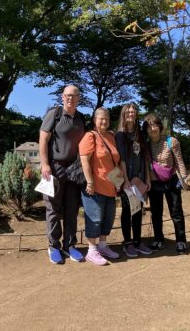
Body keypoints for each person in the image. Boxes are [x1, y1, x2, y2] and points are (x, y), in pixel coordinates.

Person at [39, 85, 85, 264]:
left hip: (75, 170)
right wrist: (44, 164)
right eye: (67, 95)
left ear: (79, 98)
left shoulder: (81, 118)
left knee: (72, 208)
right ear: (62, 97)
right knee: (53, 208)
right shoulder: (54, 114)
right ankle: (53, 246)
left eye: (74, 96)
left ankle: (70, 245)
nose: (70, 99)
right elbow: (43, 139)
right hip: (55, 167)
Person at [79, 107, 122, 265]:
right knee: (95, 219)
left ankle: (103, 245)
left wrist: (118, 183)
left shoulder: (111, 136)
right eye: (101, 119)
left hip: (111, 186)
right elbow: (84, 160)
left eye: (107, 119)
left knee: (108, 219)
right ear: (94, 120)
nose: (104, 121)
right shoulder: (90, 136)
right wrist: (89, 181)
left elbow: (114, 161)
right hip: (95, 186)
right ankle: (92, 250)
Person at [142, 113, 188, 255]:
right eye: (149, 126)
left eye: (155, 124)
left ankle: (181, 241)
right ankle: (159, 240)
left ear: (160, 126)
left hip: (172, 180)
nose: (152, 128)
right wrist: (147, 183)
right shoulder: (146, 145)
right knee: (156, 213)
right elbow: (145, 165)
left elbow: (179, 160)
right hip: (154, 183)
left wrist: (184, 178)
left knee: (176, 212)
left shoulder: (171, 141)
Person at [115, 104, 152, 258]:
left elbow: (145, 158)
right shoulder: (120, 135)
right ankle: (127, 243)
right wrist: (125, 180)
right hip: (127, 180)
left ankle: (137, 241)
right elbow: (121, 160)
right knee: (127, 211)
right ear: (124, 114)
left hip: (140, 179)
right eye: (128, 111)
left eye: (133, 111)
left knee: (138, 210)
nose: (131, 113)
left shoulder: (140, 134)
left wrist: (148, 179)